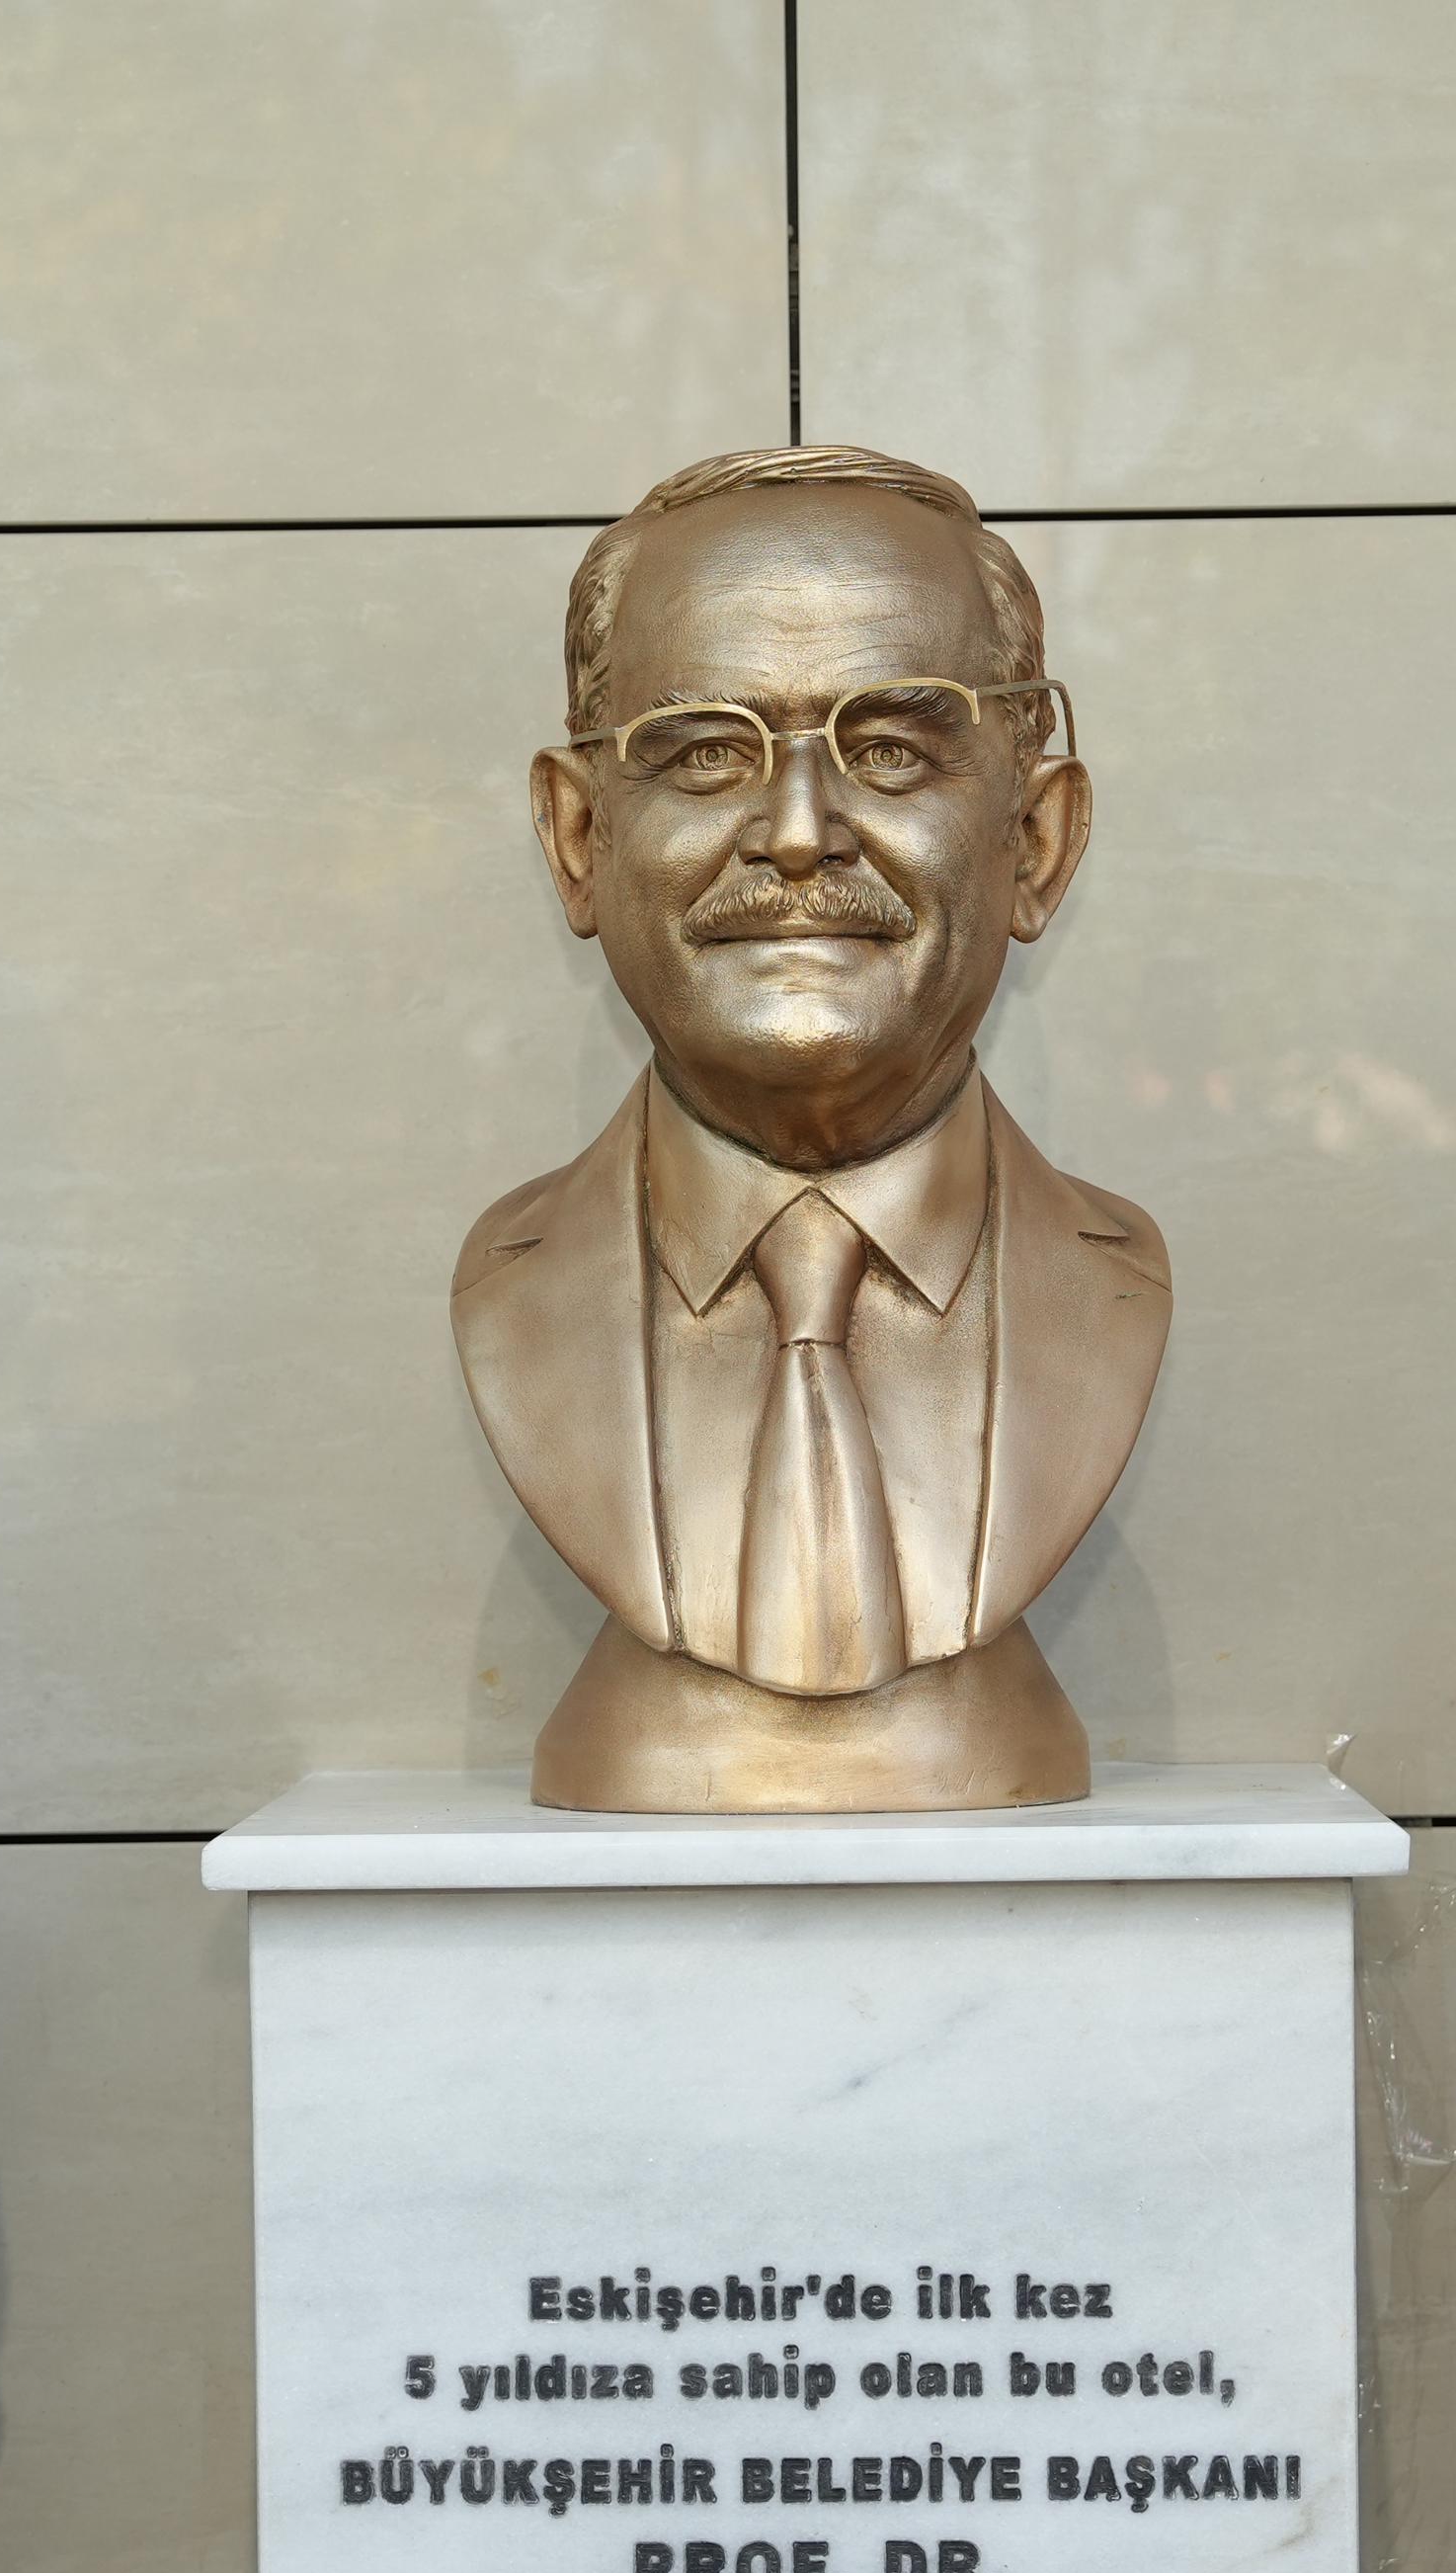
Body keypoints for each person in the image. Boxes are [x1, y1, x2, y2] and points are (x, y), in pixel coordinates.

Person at [460, 444, 1169, 1810]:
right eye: (706, 752)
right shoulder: (512, 1290)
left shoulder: (1116, 1284)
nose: (796, 833)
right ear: (575, 840)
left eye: (894, 748)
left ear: (1035, 842)